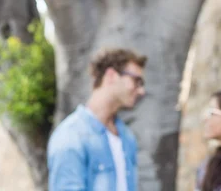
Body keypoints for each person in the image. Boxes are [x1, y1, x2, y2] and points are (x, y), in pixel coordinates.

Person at [47, 48, 147, 191]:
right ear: (111, 76)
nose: (141, 90)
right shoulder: (70, 136)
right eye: (136, 80)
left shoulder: (127, 137)